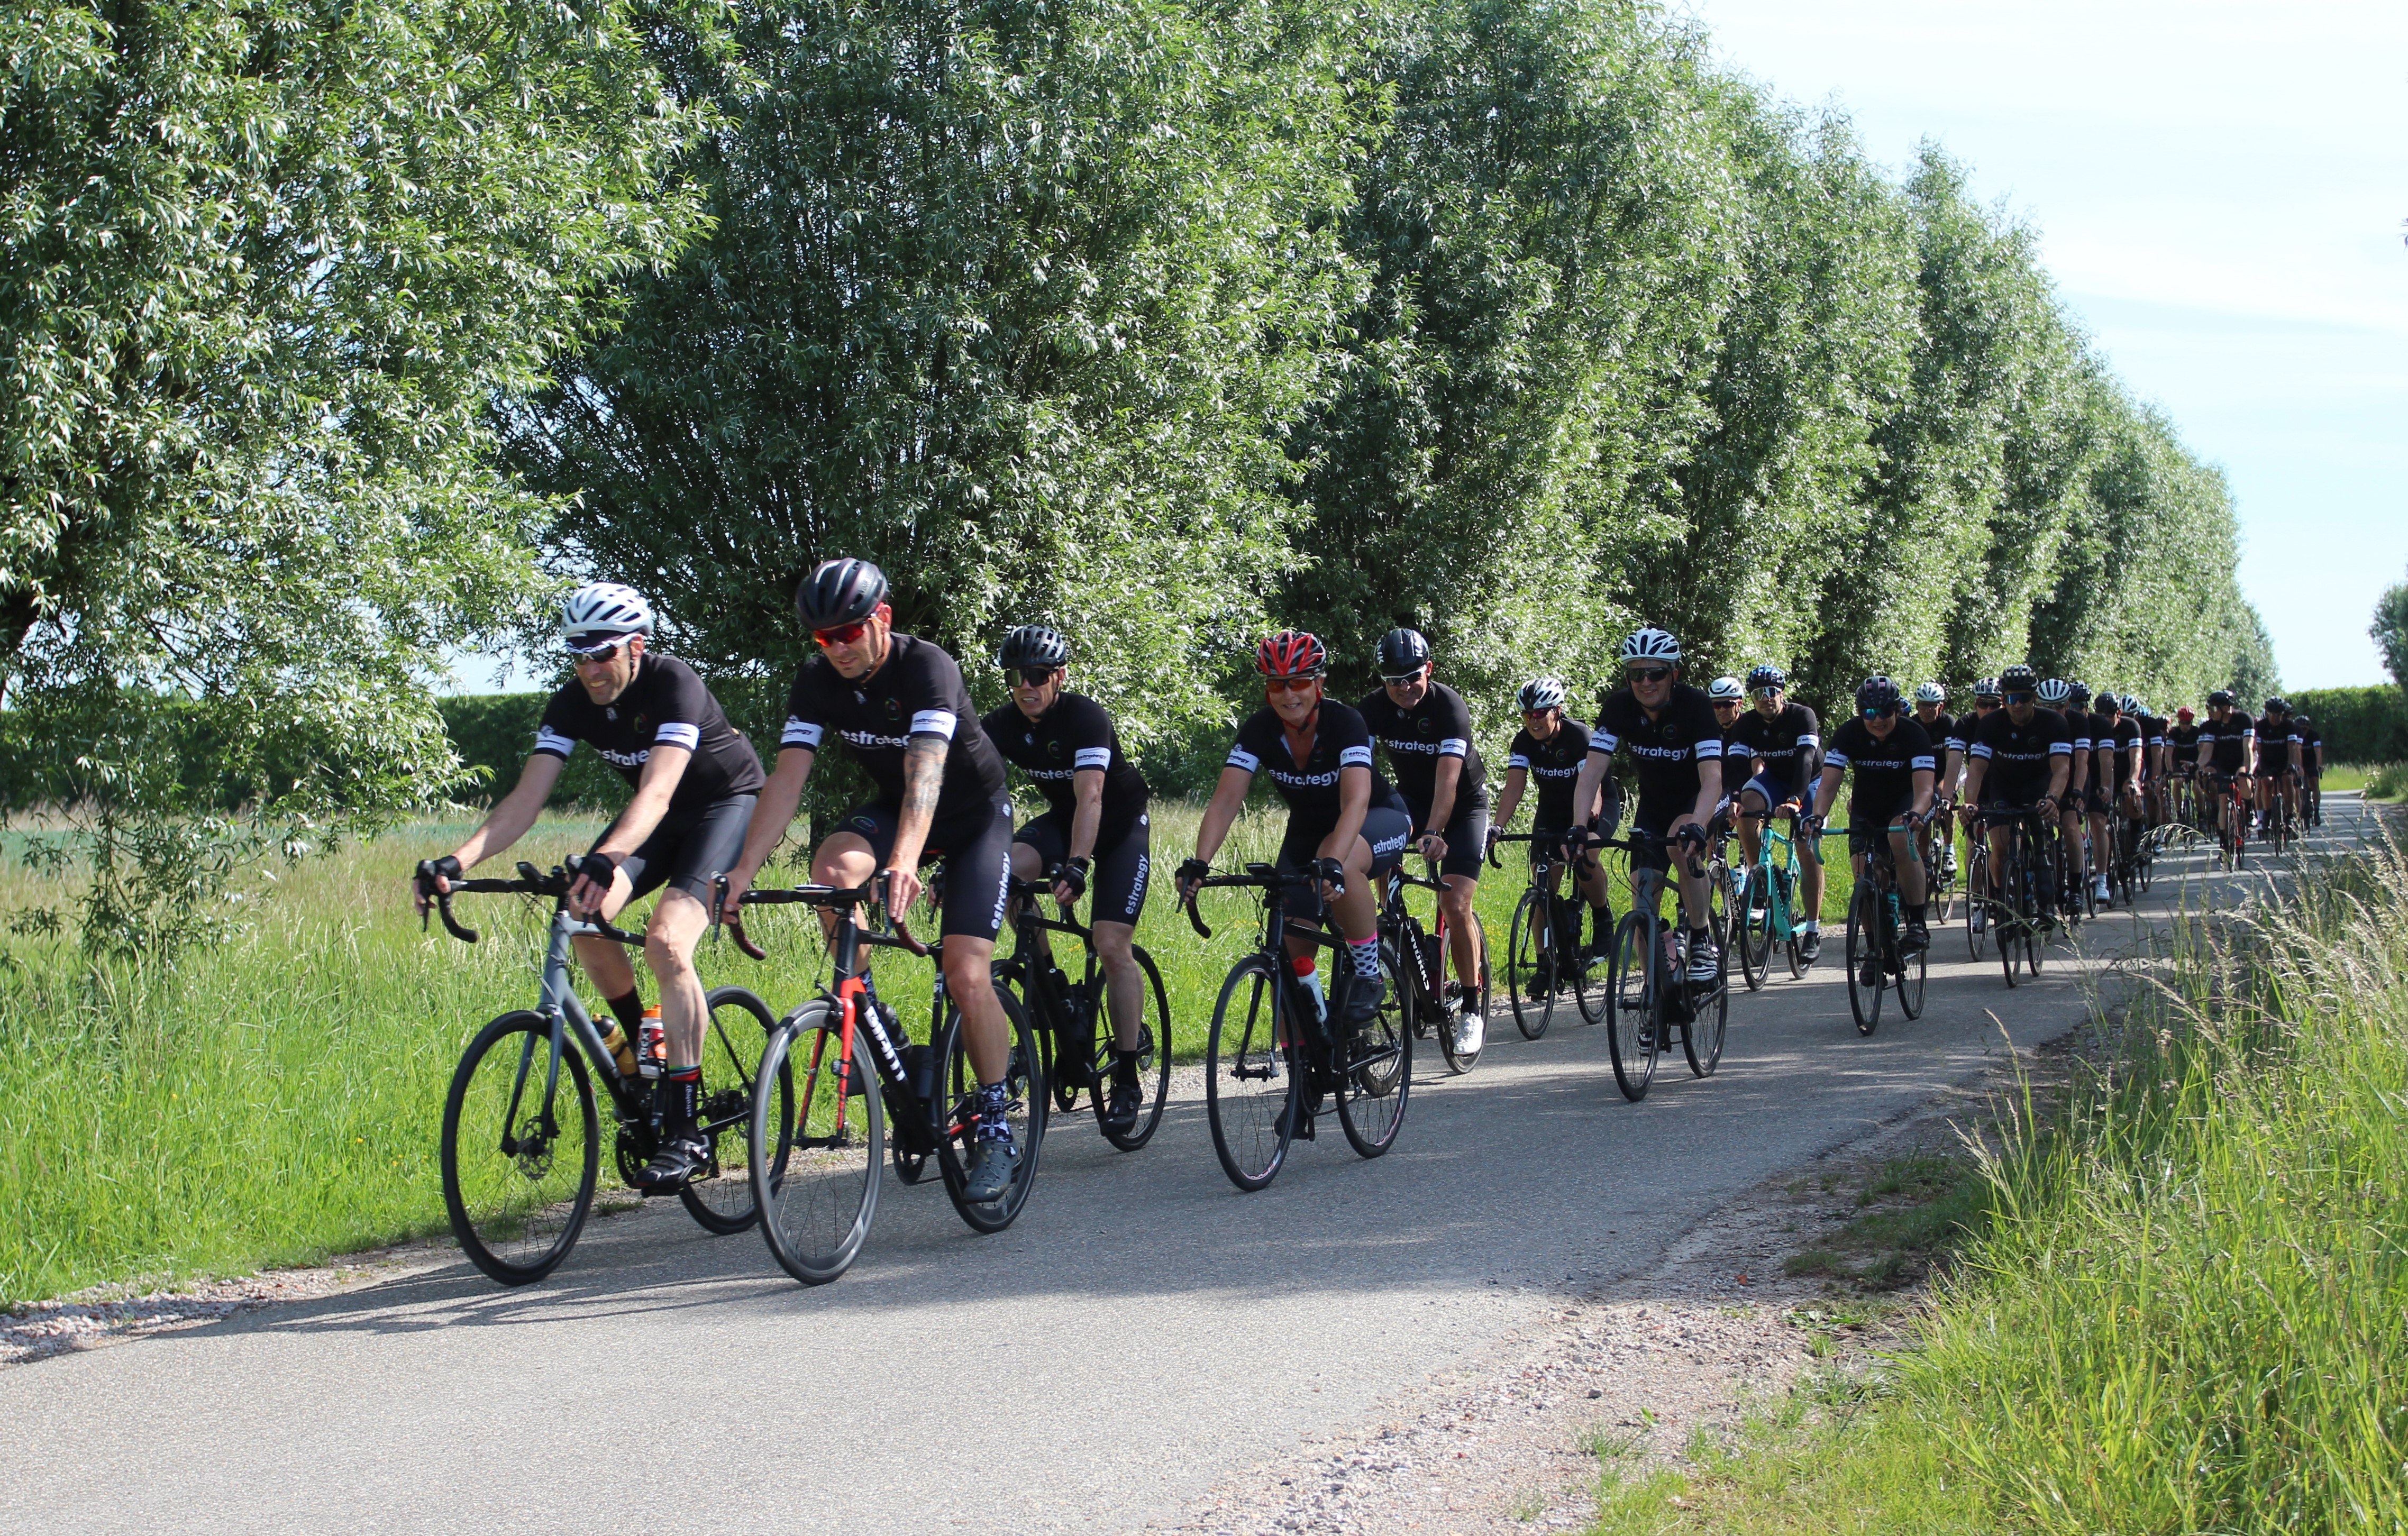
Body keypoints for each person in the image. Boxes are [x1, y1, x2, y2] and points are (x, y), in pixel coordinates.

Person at [416, 582, 766, 1192]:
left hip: (724, 808)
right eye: (577, 656)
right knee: (582, 915)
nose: (590, 669)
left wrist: (608, 856)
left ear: (635, 646)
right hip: (654, 821)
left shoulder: (672, 684)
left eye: (601, 654)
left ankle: (686, 1127)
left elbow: (657, 791)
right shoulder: (572, 701)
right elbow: (527, 798)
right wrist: (457, 859)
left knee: (666, 941)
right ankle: (638, 1047)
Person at [719, 559, 1024, 1203]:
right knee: (829, 870)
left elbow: (927, 774)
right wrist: (741, 870)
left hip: (971, 819)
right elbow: (787, 782)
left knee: (968, 973)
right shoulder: (816, 681)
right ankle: (875, 1019)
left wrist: (906, 860)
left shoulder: (927, 668)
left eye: (849, 633)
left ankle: (996, 1122)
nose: (837, 649)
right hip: (895, 811)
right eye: (822, 638)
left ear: (881, 619)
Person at [1178, 630, 1412, 1040]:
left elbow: (1355, 802)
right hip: (1307, 830)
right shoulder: (1259, 730)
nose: (1289, 695)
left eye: (1299, 682)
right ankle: (1303, 1068)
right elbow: (1225, 800)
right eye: (1276, 685)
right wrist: (1200, 861)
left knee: (1336, 856)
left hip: (1376, 815)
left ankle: (1369, 973)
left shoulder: (1345, 722)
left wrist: (1335, 864)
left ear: (1319, 683)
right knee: (1289, 958)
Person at [980, 624, 1153, 1129]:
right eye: (1017, 676)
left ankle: (1126, 1077)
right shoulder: (1004, 724)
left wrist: (1079, 865)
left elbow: (1093, 798)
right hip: (1063, 821)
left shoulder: (1084, 717)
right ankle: (1052, 983)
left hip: (1119, 827)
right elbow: (967, 785)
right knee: (1001, 873)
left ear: (1059, 677)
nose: (1026, 686)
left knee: (1110, 944)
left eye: (1037, 675)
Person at [1568, 628, 1725, 984]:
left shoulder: (1696, 706)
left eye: (1655, 673)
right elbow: (1592, 770)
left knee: (1681, 845)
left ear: (1674, 674)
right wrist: (1579, 825)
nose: (1646, 682)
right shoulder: (1618, 707)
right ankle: (1655, 1002)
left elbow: (1713, 778)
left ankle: (1701, 940)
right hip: (1654, 806)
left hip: (1698, 799)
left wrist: (1699, 825)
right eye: (1637, 674)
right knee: (1643, 896)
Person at [1360, 628, 1490, 1041]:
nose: (1404, 688)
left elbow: (1449, 782)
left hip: (1464, 805)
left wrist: (1434, 831)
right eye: (1394, 680)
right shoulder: (1372, 709)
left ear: (1428, 670)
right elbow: (1357, 774)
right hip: (1412, 802)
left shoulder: (1449, 707)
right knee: (1377, 834)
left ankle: (1471, 1005)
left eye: (1413, 677)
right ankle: (1387, 919)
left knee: (1454, 902)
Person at [1486, 676, 1616, 974]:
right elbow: (1514, 789)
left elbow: (1591, 786)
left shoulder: (1579, 736)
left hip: (1596, 806)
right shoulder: (1522, 742)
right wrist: (1498, 826)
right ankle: (1545, 962)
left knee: (1584, 855)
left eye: (1538, 714)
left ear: (1556, 711)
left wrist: (1581, 825)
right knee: (1542, 881)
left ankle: (1601, 915)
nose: (1532, 721)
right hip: (1552, 811)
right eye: (1526, 715)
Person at [1804, 676, 1938, 966]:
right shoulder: (1848, 734)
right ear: (1859, 713)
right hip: (1867, 806)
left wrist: (1916, 812)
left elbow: (1926, 788)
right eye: (1868, 713)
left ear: (1897, 711)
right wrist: (1817, 816)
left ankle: (1917, 923)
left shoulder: (1914, 735)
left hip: (1907, 801)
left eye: (1884, 713)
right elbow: (1827, 786)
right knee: (1863, 875)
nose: (1877, 720)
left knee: (1899, 838)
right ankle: (1876, 951)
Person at [1961, 664, 2074, 921]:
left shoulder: (2054, 722)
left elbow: (2062, 769)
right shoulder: (1991, 724)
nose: (2018, 705)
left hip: (2039, 787)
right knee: (2000, 846)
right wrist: (1969, 803)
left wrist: (2053, 799)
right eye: (2012, 699)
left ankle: (2048, 903)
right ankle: (2002, 900)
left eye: (2024, 698)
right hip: (2004, 788)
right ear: (2004, 700)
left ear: (2035, 698)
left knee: (2041, 841)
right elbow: (1976, 769)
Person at [1728, 664, 1825, 960]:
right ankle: (1761, 878)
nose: (1767, 698)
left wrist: (1796, 799)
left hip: (1808, 780)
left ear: (1782, 694)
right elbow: (1735, 766)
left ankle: (1812, 929)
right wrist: (1732, 799)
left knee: (1805, 846)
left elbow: (1806, 760)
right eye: (1759, 693)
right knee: (1746, 807)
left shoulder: (1802, 716)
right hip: (1775, 780)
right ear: (1753, 698)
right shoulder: (1745, 724)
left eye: (1772, 692)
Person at [1911, 682, 1958, 888]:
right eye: (1923, 705)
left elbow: (1952, 760)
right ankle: (1925, 857)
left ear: (1942, 706)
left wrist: (1943, 789)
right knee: (1923, 807)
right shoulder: (1912, 724)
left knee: (1943, 798)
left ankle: (1949, 850)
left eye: (1932, 706)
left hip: (1946, 771)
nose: (1927, 710)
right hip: (1922, 774)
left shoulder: (1948, 724)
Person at [2194, 690, 2255, 848]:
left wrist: (2248, 771)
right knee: (2222, 800)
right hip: (2223, 764)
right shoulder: (2211, 725)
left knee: (2243, 779)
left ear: (2226, 708)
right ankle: (2224, 843)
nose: (2210, 712)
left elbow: (2248, 746)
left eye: (2213, 709)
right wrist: (2198, 766)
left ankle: (2249, 810)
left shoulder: (2244, 720)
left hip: (2241, 760)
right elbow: (2207, 750)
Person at [2253, 697, 2303, 833]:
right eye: (2273, 714)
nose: (2276, 717)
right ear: (2267, 713)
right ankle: (2267, 814)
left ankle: (2289, 816)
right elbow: (2258, 748)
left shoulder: (2289, 726)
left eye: (2279, 714)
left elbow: (2292, 748)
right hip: (2267, 760)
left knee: (2288, 780)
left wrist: (2291, 766)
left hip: (2284, 760)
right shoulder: (2260, 726)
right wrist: (2259, 767)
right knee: (2266, 782)